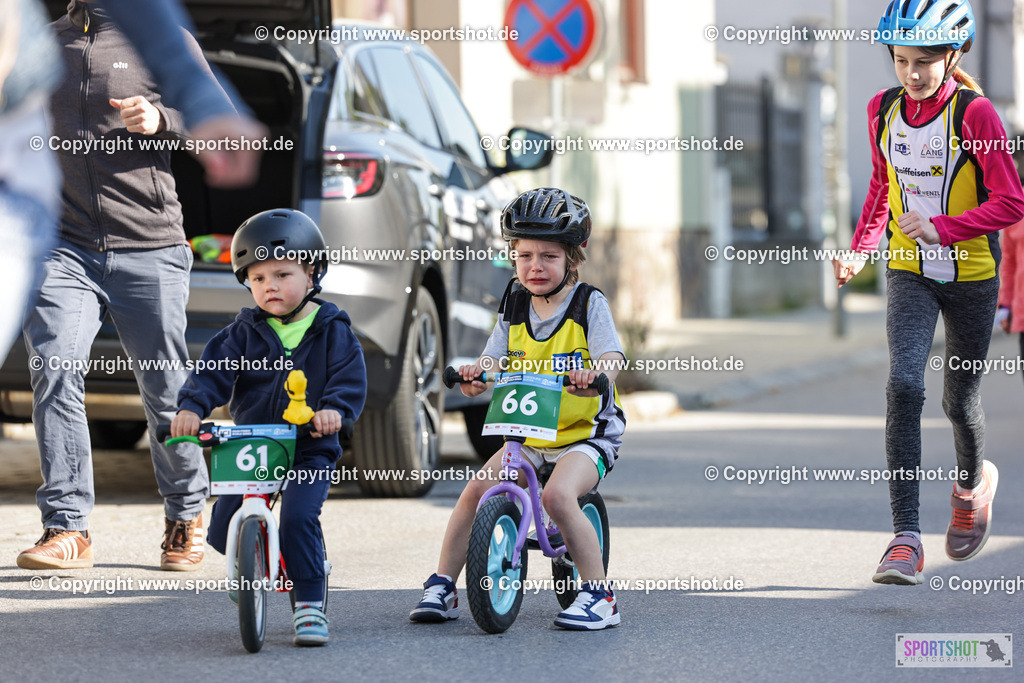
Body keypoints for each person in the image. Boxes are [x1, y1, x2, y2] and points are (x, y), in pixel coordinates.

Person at [15, 0, 229, 572]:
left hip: (150, 243)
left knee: (166, 390)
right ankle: (67, 528)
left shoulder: (162, 39)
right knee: (54, 369)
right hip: (65, 245)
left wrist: (162, 119)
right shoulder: (41, 43)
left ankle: (185, 514)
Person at [833, 0, 1024, 586]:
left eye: (925, 62)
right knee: (905, 385)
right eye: (901, 61)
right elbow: (881, 186)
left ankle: (972, 484)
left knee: (959, 403)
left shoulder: (977, 115)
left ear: (953, 54)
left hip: (970, 275)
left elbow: (1011, 201)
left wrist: (945, 226)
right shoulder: (881, 110)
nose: (912, 75)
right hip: (908, 270)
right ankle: (905, 538)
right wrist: (861, 248)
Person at [409, 188, 627, 630]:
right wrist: (476, 376)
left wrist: (596, 375)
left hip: (584, 434)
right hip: (529, 432)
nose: (535, 266)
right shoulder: (514, 303)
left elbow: (612, 358)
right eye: (524, 255)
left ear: (573, 259)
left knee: (558, 496)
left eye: (548, 256)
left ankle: (601, 598)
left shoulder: (588, 305)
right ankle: (443, 585)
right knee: (474, 492)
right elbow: (493, 357)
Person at [171, 209, 366, 646]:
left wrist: (334, 410)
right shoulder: (241, 334)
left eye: (282, 274)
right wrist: (191, 407)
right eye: (258, 279)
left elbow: (349, 381)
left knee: (298, 519)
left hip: (309, 445)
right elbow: (211, 375)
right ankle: (253, 560)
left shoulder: (332, 331)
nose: (270, 286)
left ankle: (310, 602)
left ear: (312, 272)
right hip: (253, 443)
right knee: (223, 526)